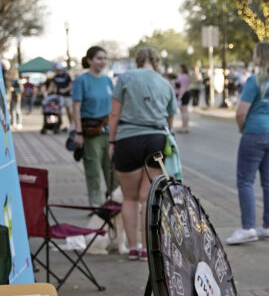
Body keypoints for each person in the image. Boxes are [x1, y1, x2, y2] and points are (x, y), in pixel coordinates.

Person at [108, 47, 177, 260]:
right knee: (148, 197)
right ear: (156, 61)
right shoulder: (165, 83)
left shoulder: (126, 78)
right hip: (155, 139)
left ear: (137, 60)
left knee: (129, 198)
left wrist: (111, 141)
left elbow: (114, 113)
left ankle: (133, 247)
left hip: (127, 138)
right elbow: (170, 118)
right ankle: (148, 249)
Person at [227, 42, 269, 245]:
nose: (253, 56)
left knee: (245, 181)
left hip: (255, 132)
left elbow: (241, 112)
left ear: (259, 57)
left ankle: (248, 228)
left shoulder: (255, 81)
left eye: (255, 53)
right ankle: (268, 228)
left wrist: (243, 128)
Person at [72, 45, 116, 207]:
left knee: (113, 172)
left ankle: (113, 204)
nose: (102, 62)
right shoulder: (81, 80)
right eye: (99, 58)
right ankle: (96, 206)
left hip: (109, 133)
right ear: (90, 60)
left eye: (104, 58)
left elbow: (114, 107)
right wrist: (78, 132)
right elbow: (76, 107)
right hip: (91, 134)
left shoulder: (107, 81)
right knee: (93, 172)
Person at [50, 64, 74, 130]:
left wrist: (65, 90)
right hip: (59, 96)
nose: (54, 70)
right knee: (58, 110)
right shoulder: (55, 76)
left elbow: (70, 85)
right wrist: (48, 92)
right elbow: (52, 85)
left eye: (55, 69)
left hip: (67, 96)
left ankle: (71, 124)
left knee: (69, 110)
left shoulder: (66, 75)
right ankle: (59, 124)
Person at [175, 64, 193, 133]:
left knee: (184, 111)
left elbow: (183, 87)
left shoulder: (184, 77)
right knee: (183, 111)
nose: (178, 69)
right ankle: (184, 126)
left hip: (183, 94)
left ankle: (185, 127)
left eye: (179, 68)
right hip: (183, 94)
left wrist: (180, 96)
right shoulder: (183, 76)